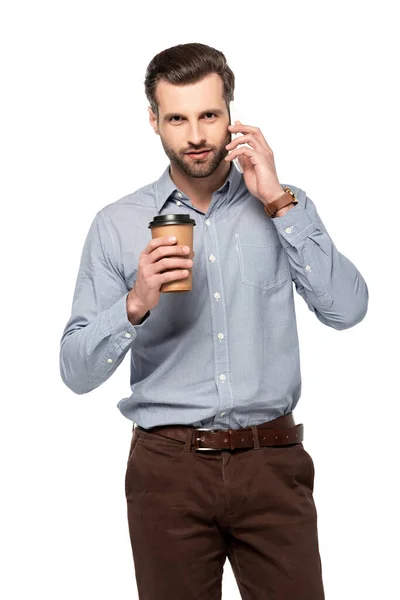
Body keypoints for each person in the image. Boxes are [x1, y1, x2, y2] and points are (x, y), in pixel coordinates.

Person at [59, 42, 369, 600]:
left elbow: (347, 310)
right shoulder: (118, 223)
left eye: (209, 115)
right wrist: (135, 302)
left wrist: (276, 199)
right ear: (154, 121)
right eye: (177, 118)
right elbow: (75, 371)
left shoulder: (283, 205)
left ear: (232, 115)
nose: (196, 135)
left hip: (272, 464)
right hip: (167, 472)